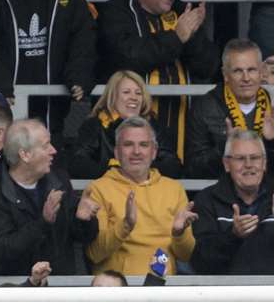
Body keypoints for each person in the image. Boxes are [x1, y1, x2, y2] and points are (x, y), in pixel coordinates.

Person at [97, 0, 216, 169]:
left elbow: (208, 66)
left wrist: (193, 38)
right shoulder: (116, 11)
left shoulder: (182, 11)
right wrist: (177, 37)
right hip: (132, 131)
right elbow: (129, 57)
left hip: (182, 123)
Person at [80, 117, 196, 276]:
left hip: (164, 289)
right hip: (119, 289)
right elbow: (95, 254)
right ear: (116, 152)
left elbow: (186, 254)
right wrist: (126, 225)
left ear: (154, 151)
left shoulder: (174, 189)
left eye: (143, 145)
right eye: (128, 144)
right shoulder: (98, 189)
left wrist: (178, 234)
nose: (136, 151)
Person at [0, 118, 90, 277]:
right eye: (46, 145)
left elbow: (83, 237)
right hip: (16, 292)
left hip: (58, 290)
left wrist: (84, 220)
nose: (53, 150)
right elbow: (3, 249)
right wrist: (42, 223)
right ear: (25, 154)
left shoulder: (59, 182)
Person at [188, 131, 274, 276]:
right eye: (240, 158)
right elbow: (201, 263)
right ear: (226, 164)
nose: (248, 165)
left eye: (255, 158)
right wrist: (233, 235)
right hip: (224, 296)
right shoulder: (207, 200)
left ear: (264, 163)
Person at [186, 38, 274, 179]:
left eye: (252, 70)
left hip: (268, 197)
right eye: (238, 71)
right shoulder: (204, 107)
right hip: (222, 198)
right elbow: (193, 170)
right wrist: (224, 148)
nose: (246, 78)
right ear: (225, 75)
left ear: (261, 72)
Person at [64, 70, 177, 180]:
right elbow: (77, 165)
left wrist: (138, 168)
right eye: (126, 92)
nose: (134, 97)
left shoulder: (153, 125)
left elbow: (173, 166)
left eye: (138, 93)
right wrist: (118, 168)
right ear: (113, 96)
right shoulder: (94, 125)